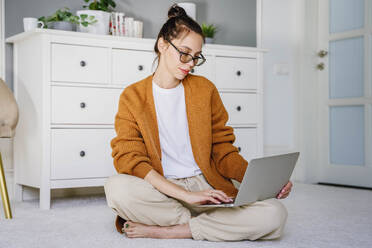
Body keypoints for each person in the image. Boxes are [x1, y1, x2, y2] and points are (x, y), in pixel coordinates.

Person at [104, 4, 292, 242]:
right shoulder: (132, 96)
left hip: (205, 183)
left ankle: (172, 230)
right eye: (184, 53)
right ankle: (213, 225)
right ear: (162, 44)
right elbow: (129, 158)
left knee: (274, 214)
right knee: (117, 188)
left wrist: (265, 183)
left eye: (196, 57)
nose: (190, 63)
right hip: (163, 188)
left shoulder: (205, 90)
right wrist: (184, 195)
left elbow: (224, 151)